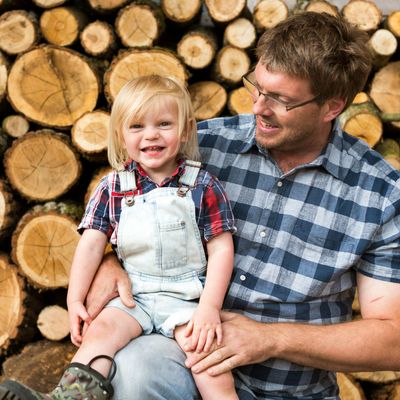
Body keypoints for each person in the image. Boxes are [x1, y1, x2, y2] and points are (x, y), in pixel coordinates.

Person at [72, 11, 400, 400]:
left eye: (280, 100)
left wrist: (270, 338)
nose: (259, 107)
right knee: (139, 367)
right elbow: (117, 206)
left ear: (332, 107)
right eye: (257, 88)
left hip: (289, 389)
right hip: (182, 352)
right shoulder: (200, 147)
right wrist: (109, 261)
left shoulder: (379, 193)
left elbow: (392, 339)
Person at [0, 76, 238, 400]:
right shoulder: (113, 187)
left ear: (184, 130)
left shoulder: (202, 186)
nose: (151, 134)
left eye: (164, 124)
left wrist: (210, 307)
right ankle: (66, 397)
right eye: (137, 126)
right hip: (133, 296)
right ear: (120, 135)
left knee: (207, 358)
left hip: (185, 300)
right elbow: (91, 245)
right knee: (102, 332)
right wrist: (75, 299)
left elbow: (222, 248)